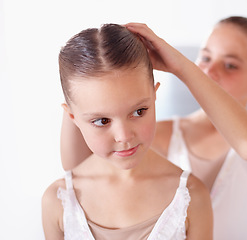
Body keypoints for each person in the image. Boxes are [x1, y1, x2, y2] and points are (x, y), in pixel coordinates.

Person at [61, 18, 247, 239]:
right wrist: (85, 79)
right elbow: (78, 172)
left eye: (230, 65)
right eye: (206, 57)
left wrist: (181, 67)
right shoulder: (159, 133)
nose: (209, 71)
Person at [41, 23, 213, 240]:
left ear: (154, 95)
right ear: (72, 117)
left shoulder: (192, 197)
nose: (124, 136)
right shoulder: (57, 201)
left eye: (139, 111)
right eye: (102, 120)